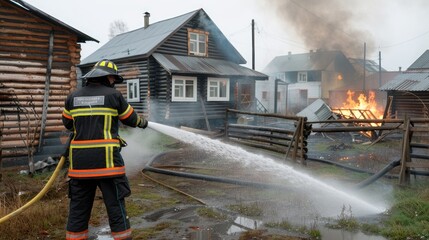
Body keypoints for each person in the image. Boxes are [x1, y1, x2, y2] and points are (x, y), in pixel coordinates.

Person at [62, 59, 147, 240]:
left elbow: (68, 124)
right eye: (113, 79)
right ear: (108, 76)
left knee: (78, 210)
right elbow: (131, 119)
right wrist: (143, 122)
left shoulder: (72, 97)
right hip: (109, 166)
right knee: (116, 207)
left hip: (80, 167)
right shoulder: (114, 96)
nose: (113, 82)